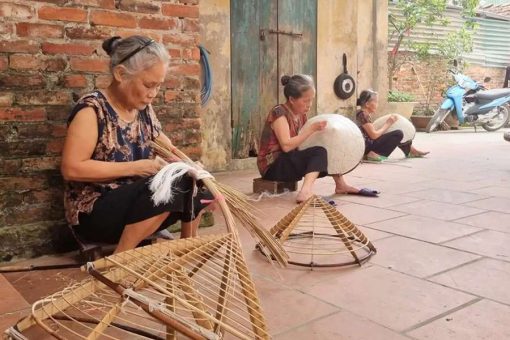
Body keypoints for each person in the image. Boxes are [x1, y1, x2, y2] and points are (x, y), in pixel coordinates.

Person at [61, 35, 213, 254]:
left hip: (137, 207)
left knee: (193, 183)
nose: (152, 94)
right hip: (96, 214)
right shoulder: (92, 110)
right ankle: (121, 260)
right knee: (167, 186)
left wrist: (191, 167)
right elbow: (71, 168)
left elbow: (167, 146)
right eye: (148, 85)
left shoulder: (143, 109)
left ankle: (187, 247)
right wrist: (137, 167)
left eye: (158, 86)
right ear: (121, 74)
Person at [257, 74, 378, 203]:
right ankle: (305, 193)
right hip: (272, 166)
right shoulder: (279, 112)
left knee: (325, 146)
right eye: (305, 101)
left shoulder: (301, 115)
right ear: (292, 99)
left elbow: (305, 141)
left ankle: (341, 185)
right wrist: (311, 129)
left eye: (311, 100)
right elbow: (286, 146)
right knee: (319, 152)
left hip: (289, 160)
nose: (309, 105)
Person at [356, 89, 429, 161]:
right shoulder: (363, 114)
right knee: (398, 134)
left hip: (368, 144)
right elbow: (374, 135)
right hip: (366, 147)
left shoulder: (363, 113)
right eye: (376, 102)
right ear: (367, 104)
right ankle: (376, 154)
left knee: (393, 130)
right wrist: (388, 123)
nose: (377, 105)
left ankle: (410, 150)